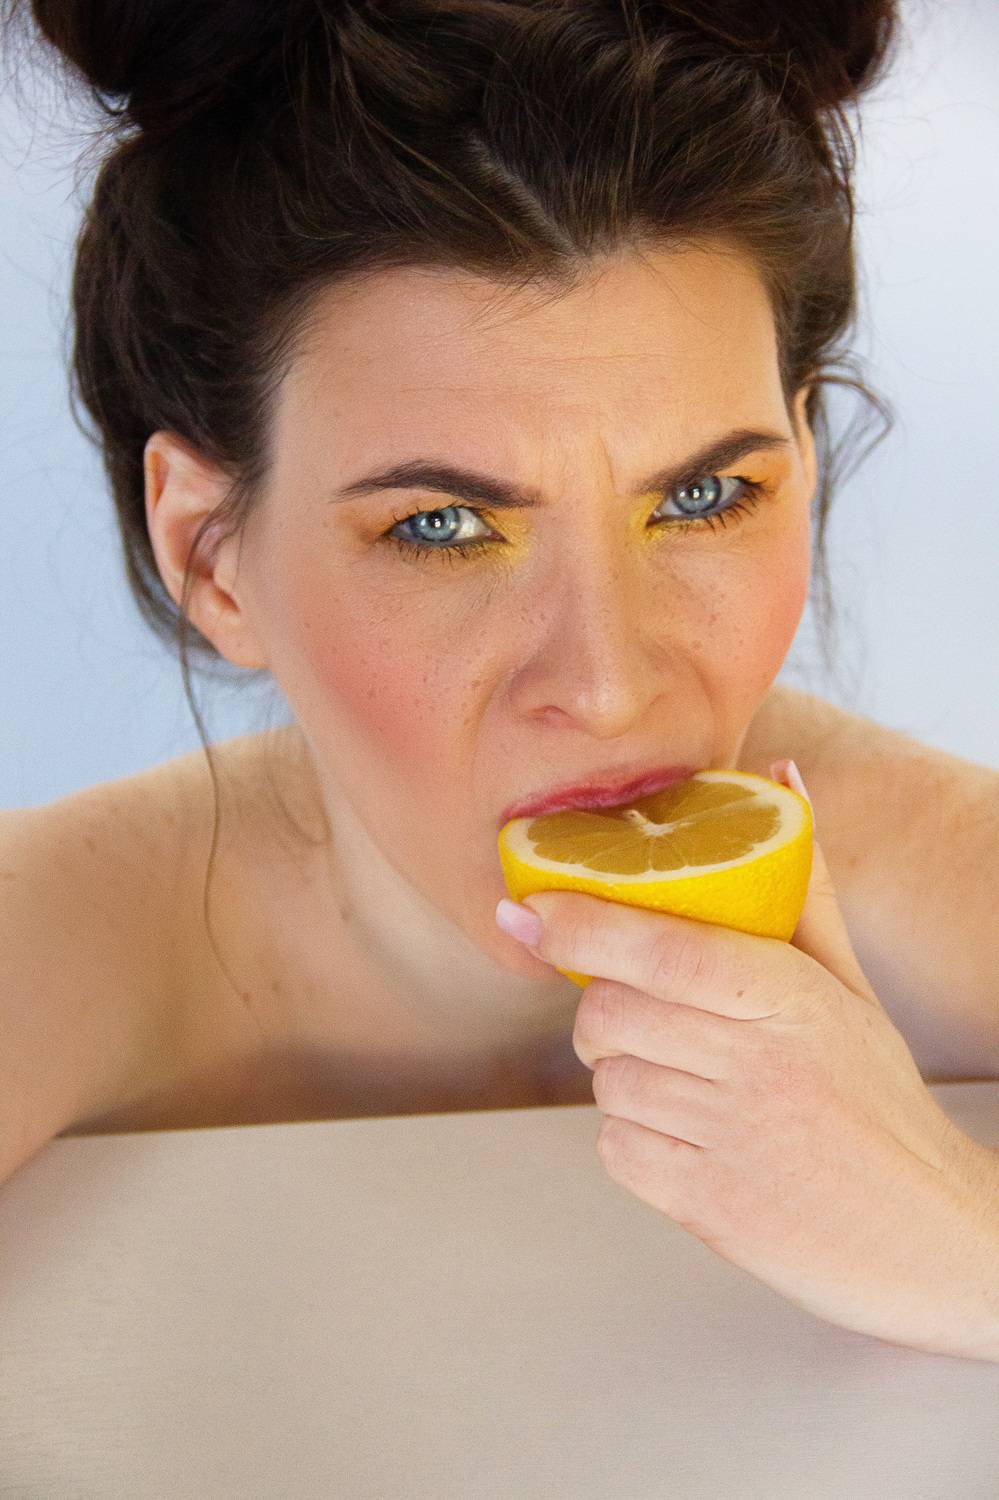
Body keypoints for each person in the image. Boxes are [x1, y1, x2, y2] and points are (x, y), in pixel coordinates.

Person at [2, 0, 997, 1357]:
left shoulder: (955, 882)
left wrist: (955, 1231)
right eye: (443, 525)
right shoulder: (59, 945)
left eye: (703, 496)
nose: (608, 683)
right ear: (211, 558)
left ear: (804, 468)